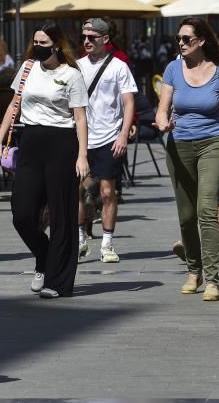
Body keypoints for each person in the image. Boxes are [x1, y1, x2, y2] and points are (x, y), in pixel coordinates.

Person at [0, 22, 89, 299]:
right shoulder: (28, 68)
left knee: (61, 216)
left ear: (56, 45)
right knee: (22, 214)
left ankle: (58, 281)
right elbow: (13, 105)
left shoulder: (71, 75)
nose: (38, 48)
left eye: (44, 43)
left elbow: (80, 118)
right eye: (36, 42)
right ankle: (44, 258)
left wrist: (82, 155)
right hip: (30, 143)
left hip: (62, 144)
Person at [157, 18, 219, 302]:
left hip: (214, 143)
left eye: (186, 39)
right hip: (179, 146)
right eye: (179, 39)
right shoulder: (173, 69)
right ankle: (193, 271)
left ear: (201, 41)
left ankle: (213, 278)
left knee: (206, 209)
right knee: (186, 216)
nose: (181, 44)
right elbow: (162, 110)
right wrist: (162, 124)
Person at [75, 18, 137, 263]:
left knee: (108, 191)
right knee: (80, 190)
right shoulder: (76, 67)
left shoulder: (119, 67)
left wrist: (123, 133)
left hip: (109, 136)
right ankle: (80, 239)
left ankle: (107, 244)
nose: (87, 41)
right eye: (84, 37)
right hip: (82, 138)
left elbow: (129, 101)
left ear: (105, 39)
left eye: (92, 37)